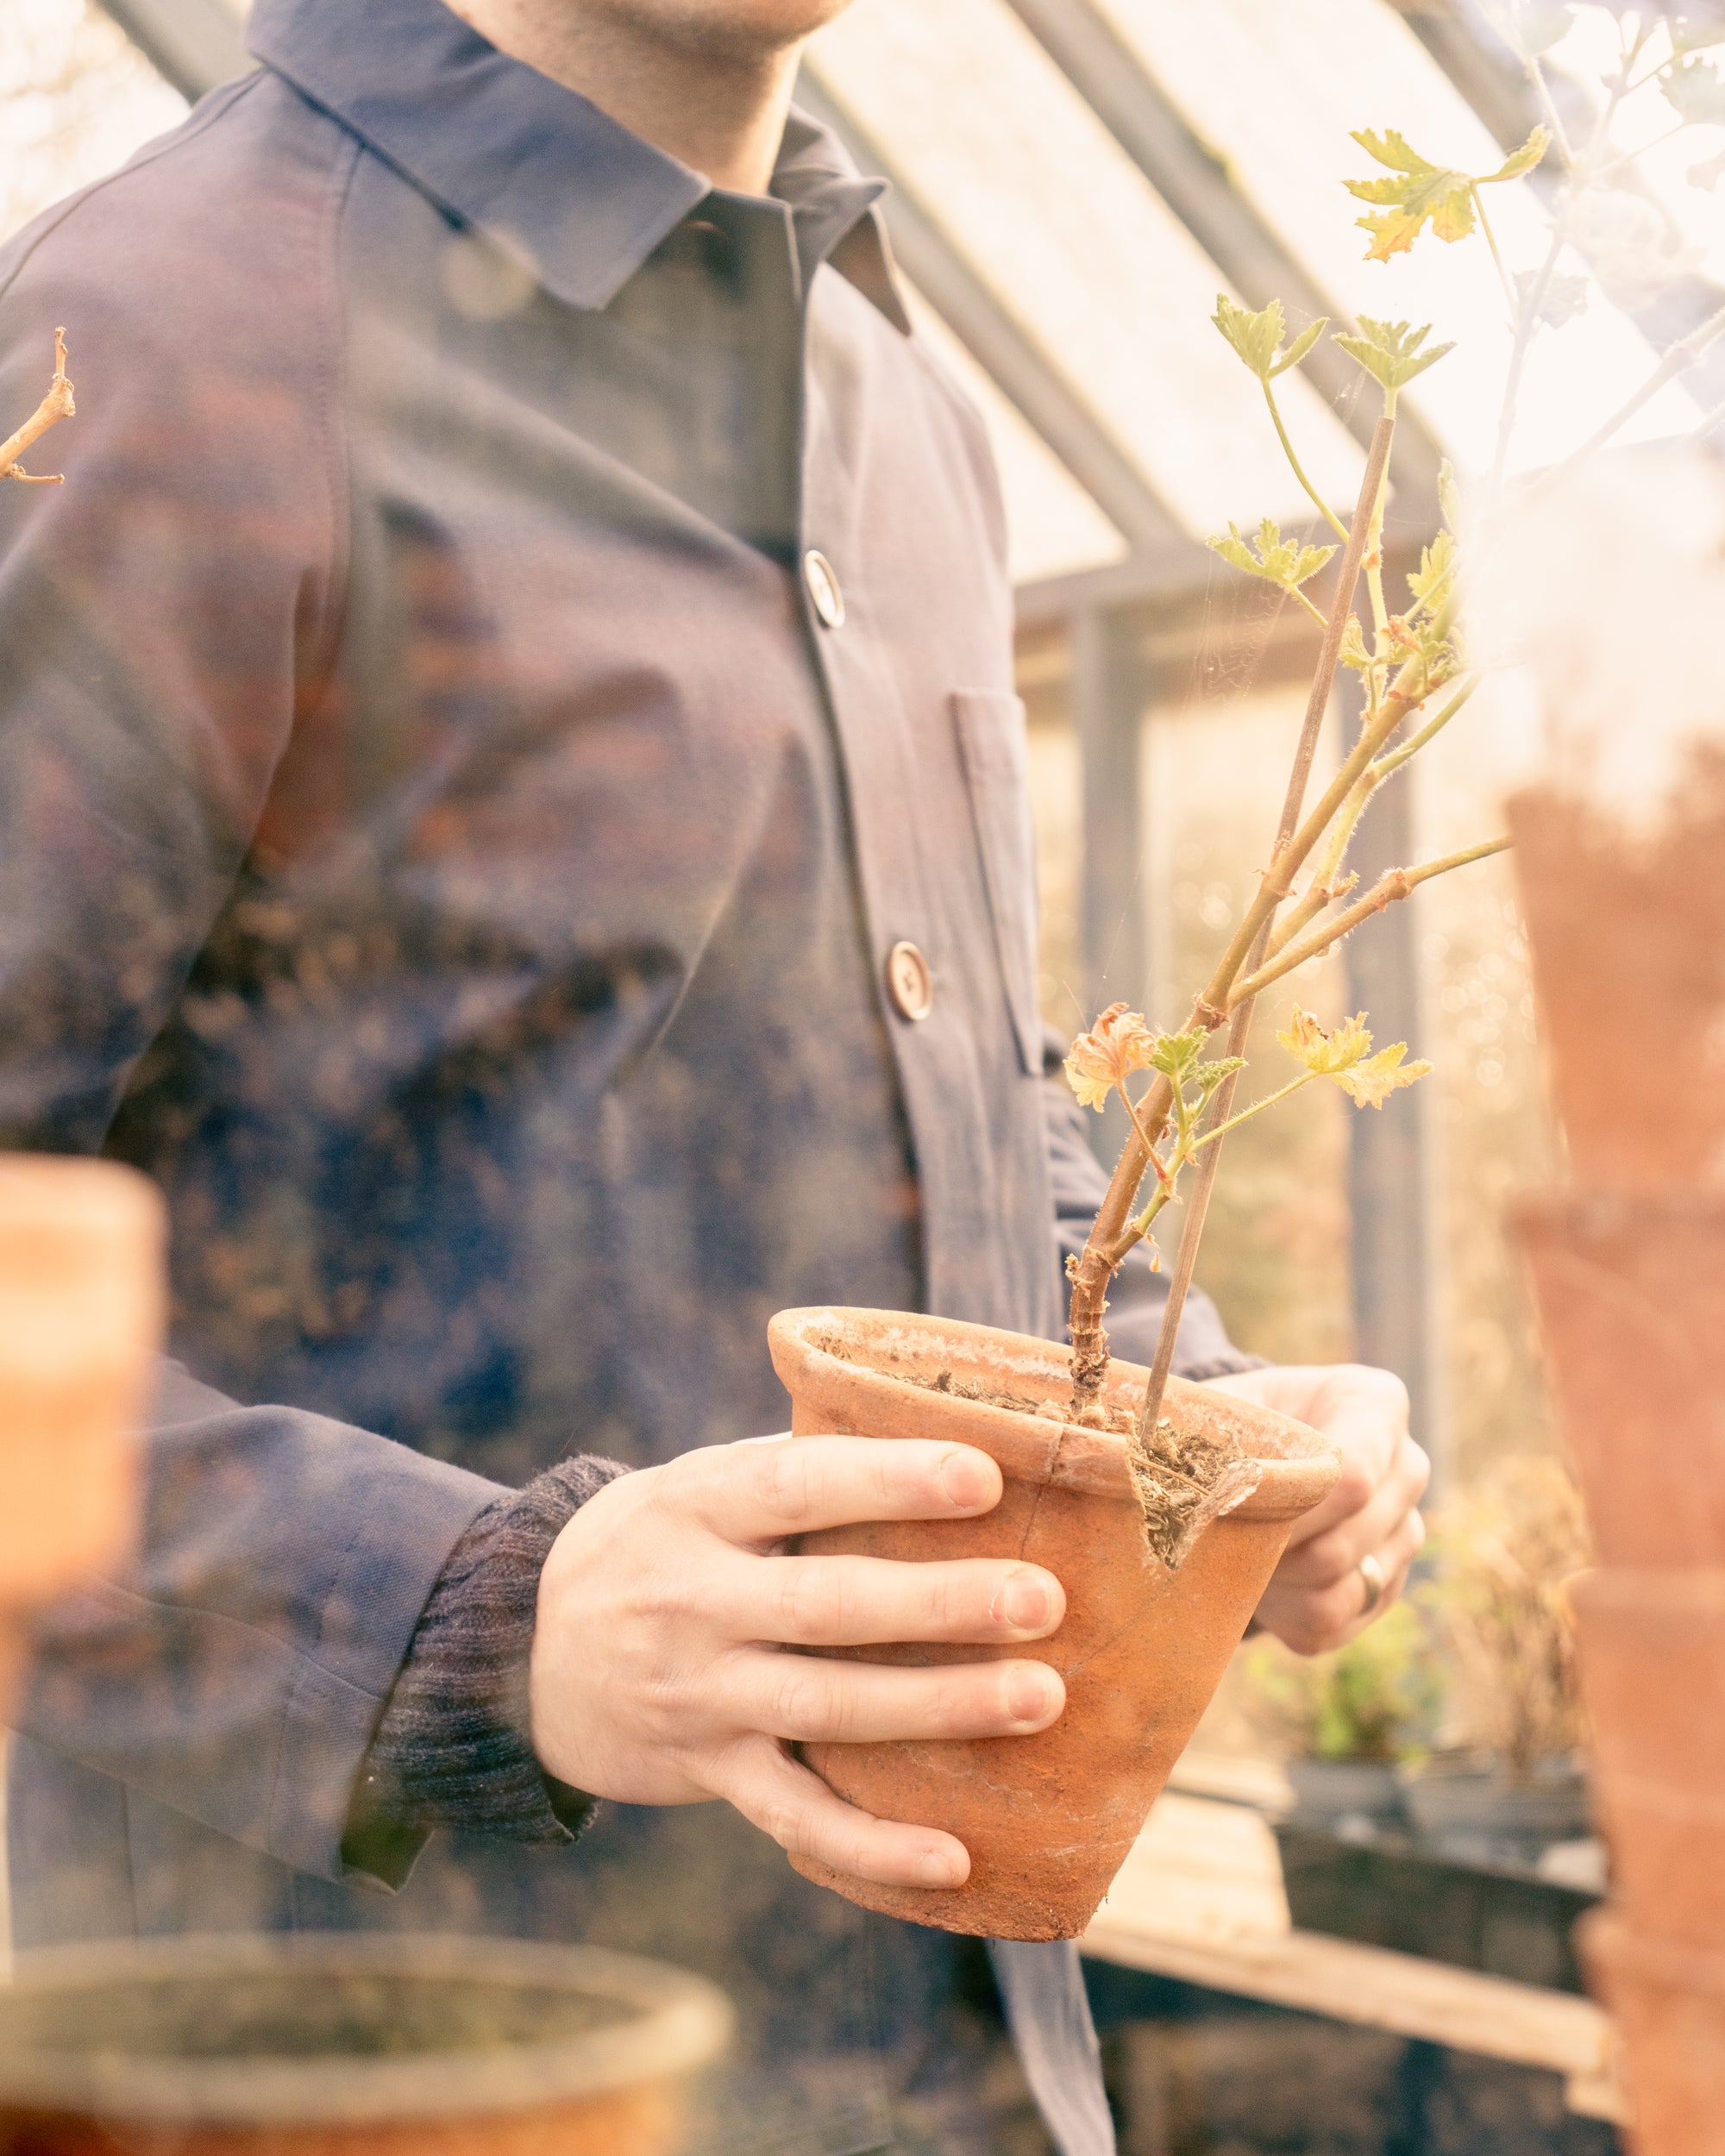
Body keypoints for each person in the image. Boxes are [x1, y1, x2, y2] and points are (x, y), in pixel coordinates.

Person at [0, 0, 1429, 2149]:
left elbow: (968, 1096)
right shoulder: (184, 327)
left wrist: (1191, 1409)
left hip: (959, 2064)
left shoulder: (891, 390)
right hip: (390, 2066)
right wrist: (466, 1618)